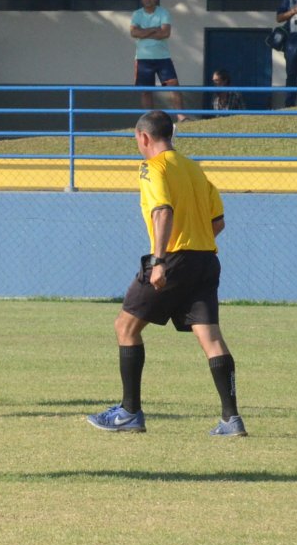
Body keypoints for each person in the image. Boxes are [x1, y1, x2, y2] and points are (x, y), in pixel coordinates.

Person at [87, 110, 246, 437]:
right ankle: (232, 420)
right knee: (211, 338)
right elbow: (218, 221)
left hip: (172, 259)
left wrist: (160, 261)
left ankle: (129, 413)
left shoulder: (151, 168)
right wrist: (195, 247)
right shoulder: (194, 169)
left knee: (125, 326)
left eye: (137, 140)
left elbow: (162, 211)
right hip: (205, 260)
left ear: (144, 138)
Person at [129, 0, 186, 120]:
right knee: (145, 91)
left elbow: (165, 33)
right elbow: (133, 33)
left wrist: (144, 33)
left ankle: (182, 116)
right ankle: (150, 119)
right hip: (143, 59)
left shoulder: (163, 12)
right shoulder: (137, 14)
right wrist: (154, 29)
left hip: (163, 58)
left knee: (174, 87)